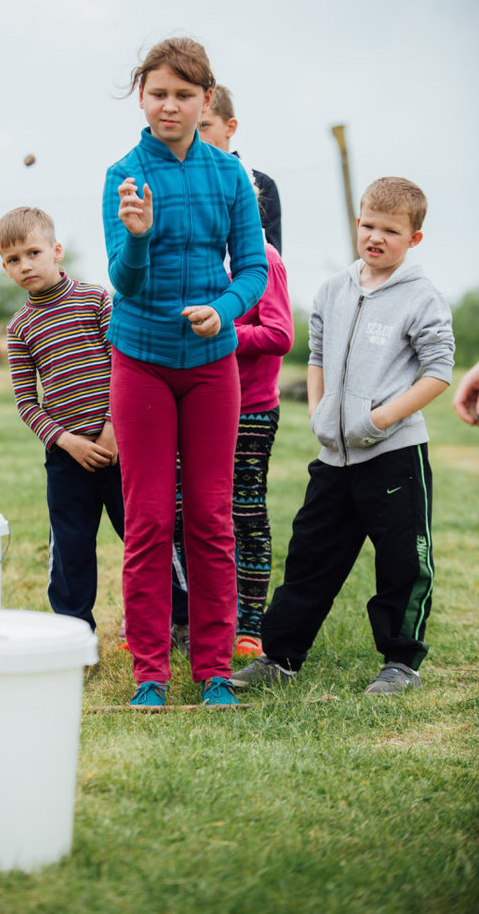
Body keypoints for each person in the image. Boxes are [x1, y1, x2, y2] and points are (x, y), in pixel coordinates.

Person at [232, 176, 455, 695]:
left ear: (413, 239)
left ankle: (401, 662)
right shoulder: (333, 289)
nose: (376, 238)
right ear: (358, 223)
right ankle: (279, 656)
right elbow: (314, 356)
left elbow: (438, 372)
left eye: (391, 231)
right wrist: (319, 411)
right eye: (368, 225)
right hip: (334, 458)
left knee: (402, 559)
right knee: (309, 556)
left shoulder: (421, 298)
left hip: (394, 455)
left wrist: (379, 421)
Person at [103, 37, 269, 707]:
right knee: (146, 518)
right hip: (139, 361)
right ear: (141, 97)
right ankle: (150, 670)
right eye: (158, 93)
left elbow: (253, 268)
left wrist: (225, 309)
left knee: (209, 516)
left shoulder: (229, 176)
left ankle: (214, 669)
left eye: (183, 94)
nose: (169, 105)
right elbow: (123, 280)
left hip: (209, 367)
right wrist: (137, 234)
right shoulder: (124, 174)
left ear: (206, 99)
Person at [171, 93, 295, 660]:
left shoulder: (264, 260)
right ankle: (199, 618)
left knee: (243, 512)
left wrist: (222, 332)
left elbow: (278, 334)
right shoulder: (194, 263)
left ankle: (250, 624)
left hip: (249, 405)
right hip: (191, 401)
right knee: (185, 513)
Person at [0, 206, 124, 631]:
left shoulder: (96, 299)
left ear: (56, 250)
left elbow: (124, 367)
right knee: (70, 548)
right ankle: (73, 634)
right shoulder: (20, 327)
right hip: (67, 457)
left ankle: (179, 621)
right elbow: (27, 403)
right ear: (5, 267)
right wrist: (66, 441)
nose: (25, 265)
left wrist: (111, 428)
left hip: (121, 446)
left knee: (149, 537)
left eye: (33, 252)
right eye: (13, 259)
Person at [198, 85, 282, 254]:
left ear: (230, 127)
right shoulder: (177, 180)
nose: (197, 136)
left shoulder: (262, 184)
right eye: (191, 128)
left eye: (204, 125)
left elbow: (271, 261)